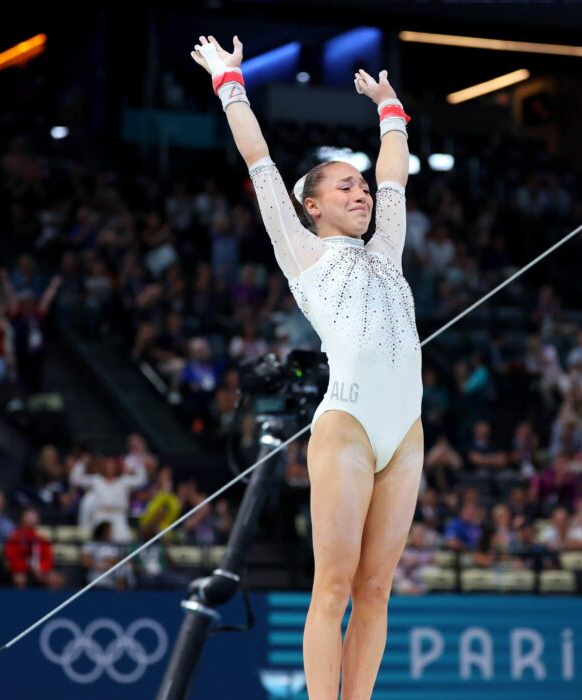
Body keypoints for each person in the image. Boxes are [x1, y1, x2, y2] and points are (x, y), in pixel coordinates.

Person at [192, 35, 422, 699]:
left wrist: (390, 109)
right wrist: (230, 81)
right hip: (347, 422)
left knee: (376, 590)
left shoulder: (386, 250)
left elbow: (395, 174)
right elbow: (258, 158)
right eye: (344, 186)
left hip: (404, 430)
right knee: (335, 584)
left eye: (361, 186)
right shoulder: (302, 252)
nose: (364, 194)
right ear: (312, 205)